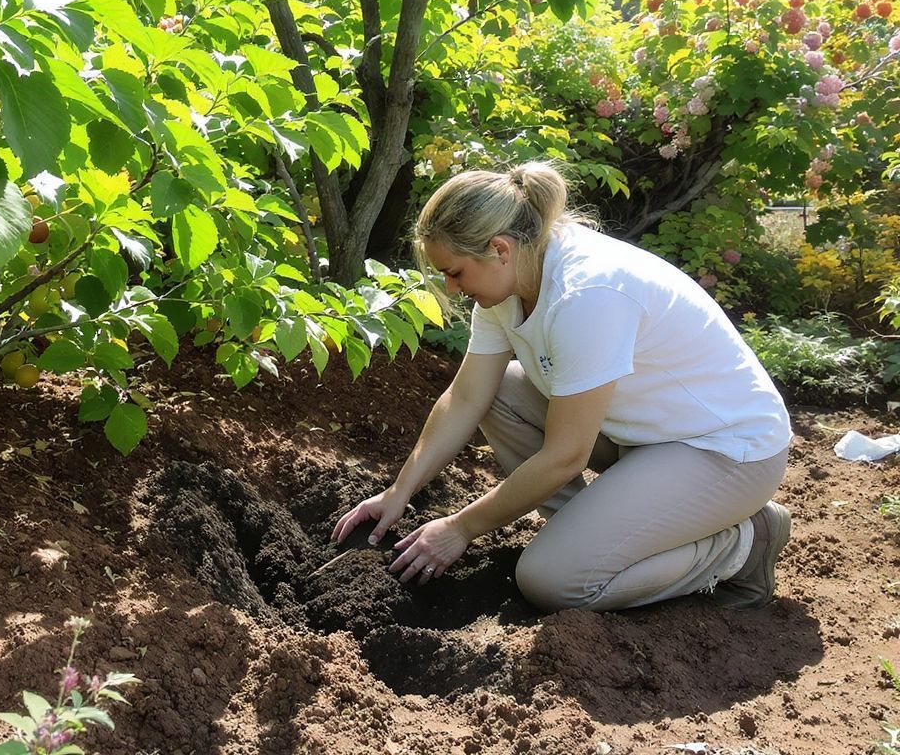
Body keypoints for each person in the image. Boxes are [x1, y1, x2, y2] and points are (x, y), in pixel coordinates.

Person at [332, 162, 793, 612]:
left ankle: (743, 546)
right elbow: (467, 397)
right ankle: (592, 539)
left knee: (552, 582)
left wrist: (461, 528)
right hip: (645, 436)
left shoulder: (586, 295)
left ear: (499, 249)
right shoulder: (511, 284)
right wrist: (400, 490)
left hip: (725, 449)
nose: (451, 288)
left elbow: (567, 454)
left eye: (454, 273)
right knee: (502, 393)